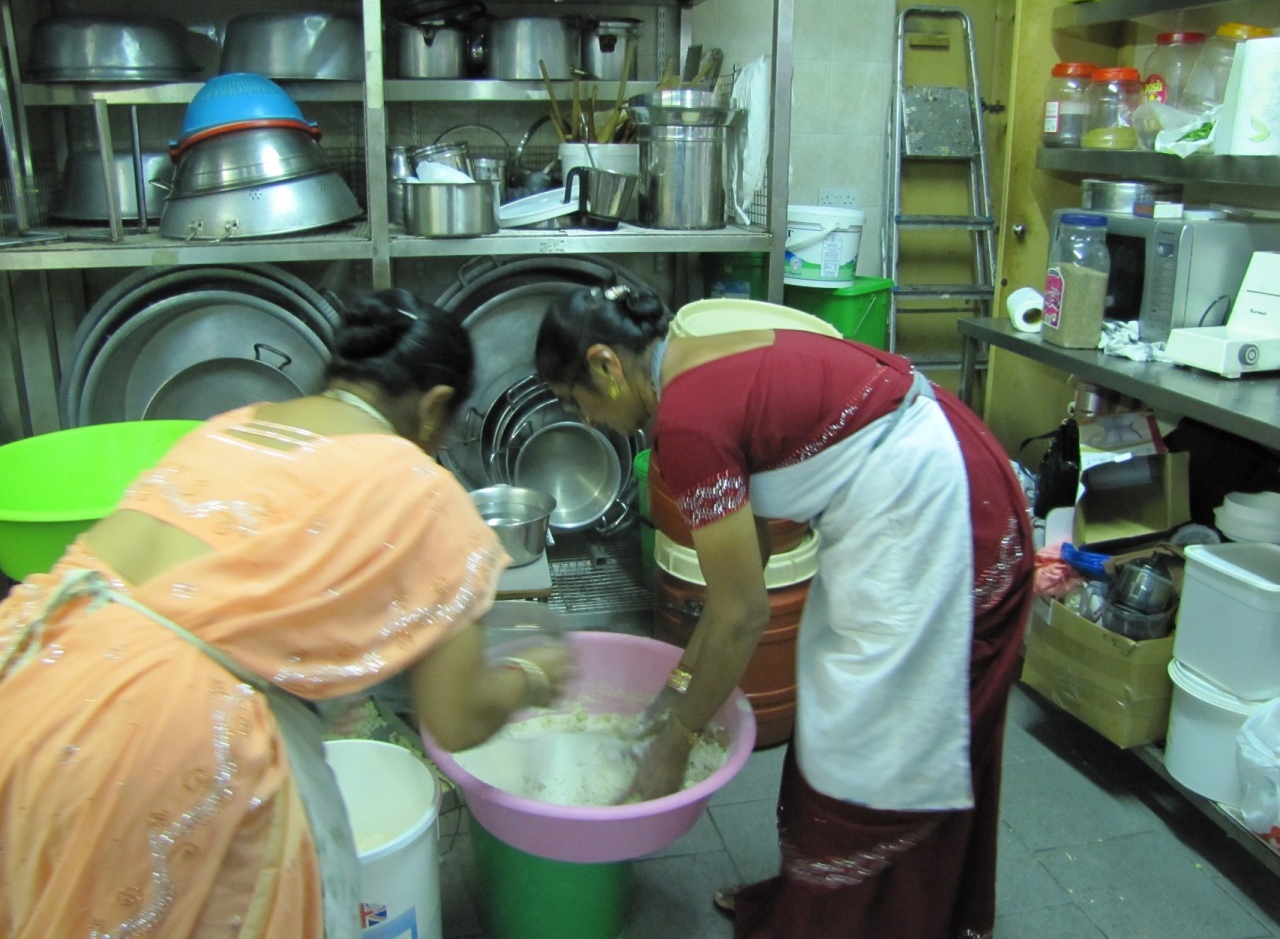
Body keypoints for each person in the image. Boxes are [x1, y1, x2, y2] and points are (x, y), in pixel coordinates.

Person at [0, 288, 573, 939]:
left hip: (34, 660)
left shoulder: (232, 427)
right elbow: (459, 716)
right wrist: (531, 674)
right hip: (155, 733)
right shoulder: (422, 489)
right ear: (437, 408)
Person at [534, 285, 1034, 939]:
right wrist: (680, 687)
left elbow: (743, 615)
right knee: (833, 701)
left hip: (939, 501)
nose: (594, 422)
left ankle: (867, 920)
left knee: (878, 733)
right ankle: (818, 903)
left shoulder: (685, 420)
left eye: (580, 403)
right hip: (917, 471)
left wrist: (676, 742)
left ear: (606, 364)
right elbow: (751, 561)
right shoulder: (688, 347)